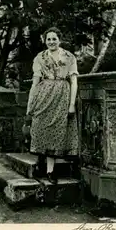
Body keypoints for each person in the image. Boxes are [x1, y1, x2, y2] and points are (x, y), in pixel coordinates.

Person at [25, 27, 79, 184]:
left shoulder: (69, 57)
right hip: (43, 95)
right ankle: (40, 164)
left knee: (56, 130)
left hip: (62, 95)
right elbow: (35, 83)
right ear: (44, 41)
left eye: (54, 39)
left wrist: (72, 104)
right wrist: (31, 104)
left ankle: (50, 171)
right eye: (48, 39)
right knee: (39, 127)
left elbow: (74, 81)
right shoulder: (40, 57)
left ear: (59, 40)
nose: (51, 42)